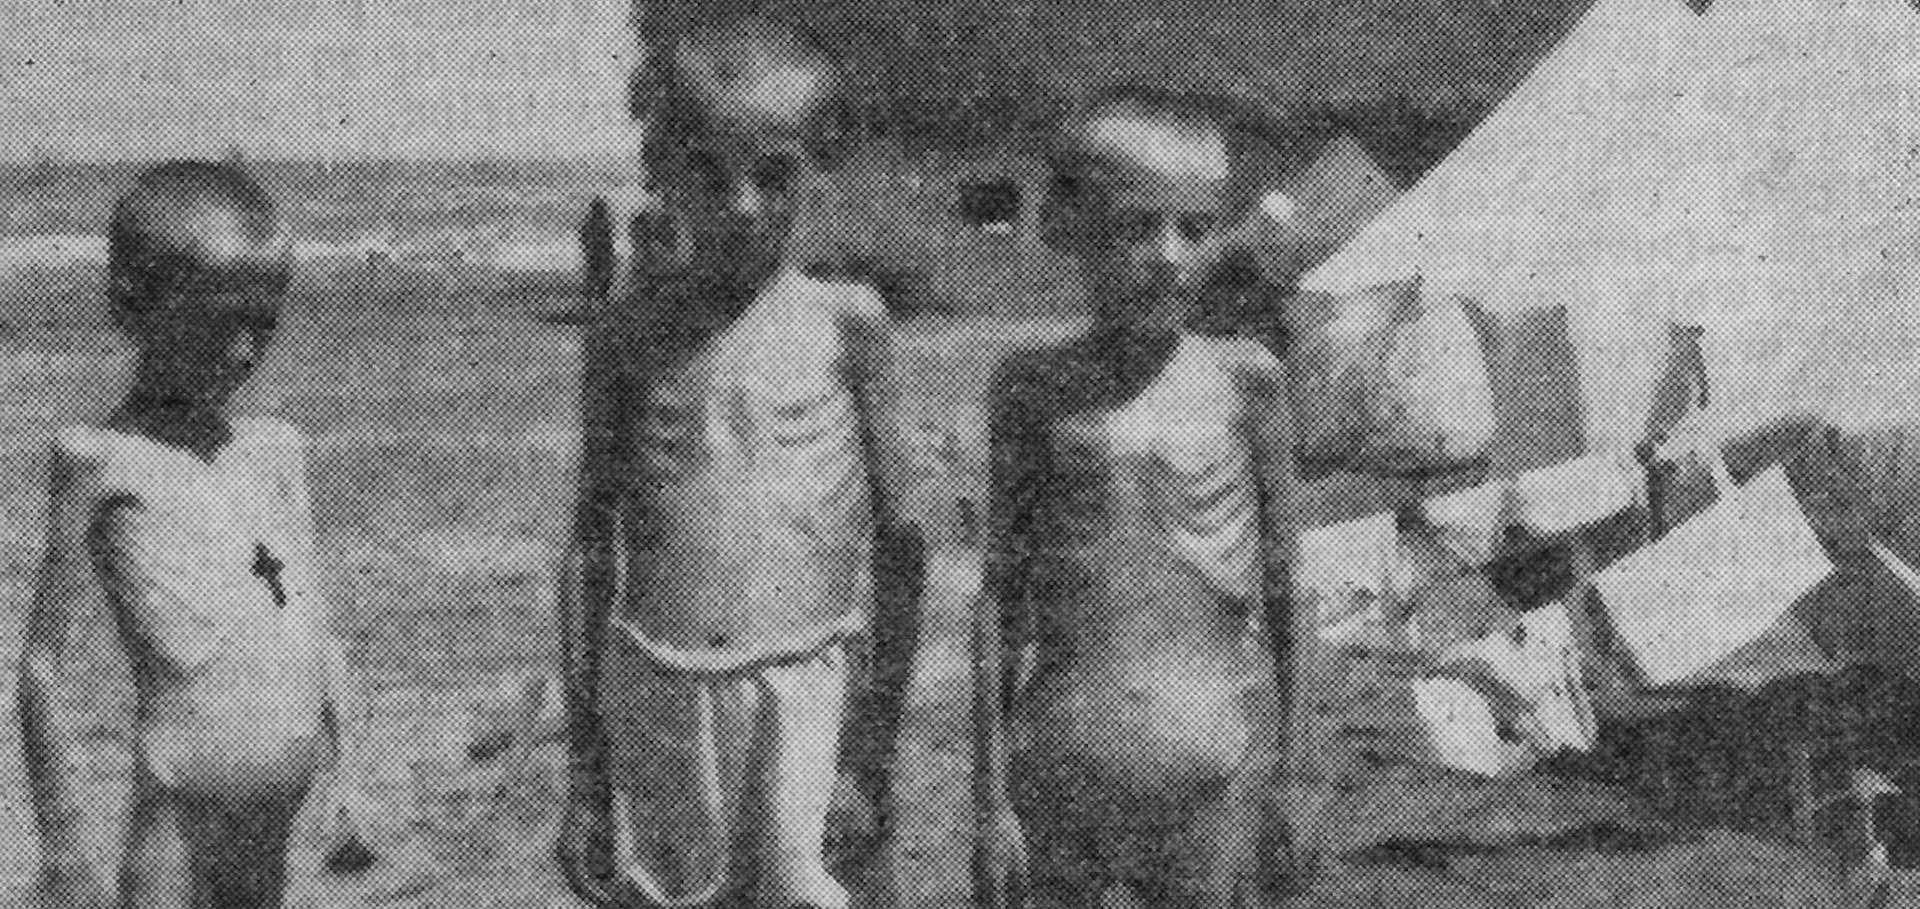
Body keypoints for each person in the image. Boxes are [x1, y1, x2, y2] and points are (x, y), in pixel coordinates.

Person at [974, 88, 1495, 909]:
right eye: (1137, 226)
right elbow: (999, 600)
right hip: (1062, 764)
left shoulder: (1244, 381)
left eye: (1194, 226)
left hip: (1211, 769)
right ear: (1068, 229)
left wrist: (1294, 768)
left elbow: (1288, 588)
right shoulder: (1032, 389)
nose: (1170, 256)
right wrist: (987, 794)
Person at [556, 14, 923, 909]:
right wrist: (586, 776)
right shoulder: (628, 336)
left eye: (773, 174)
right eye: (711, 176)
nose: (745, 203)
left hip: (811, 687)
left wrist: (869, 751)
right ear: (661, 173)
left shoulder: (846, 323)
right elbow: (588, 551)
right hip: (660, 684)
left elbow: (904, 538)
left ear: (815, 169)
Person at [16, 161, 369, 909]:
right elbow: (42, 667)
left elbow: (314, 632)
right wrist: (62, 846)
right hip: (177, 825)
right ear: (132, 307)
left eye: (262, 325)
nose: (244, 352)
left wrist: (352, 777)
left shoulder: (276, 450)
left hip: (276, 829)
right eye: (219, 323)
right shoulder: (99, 458)